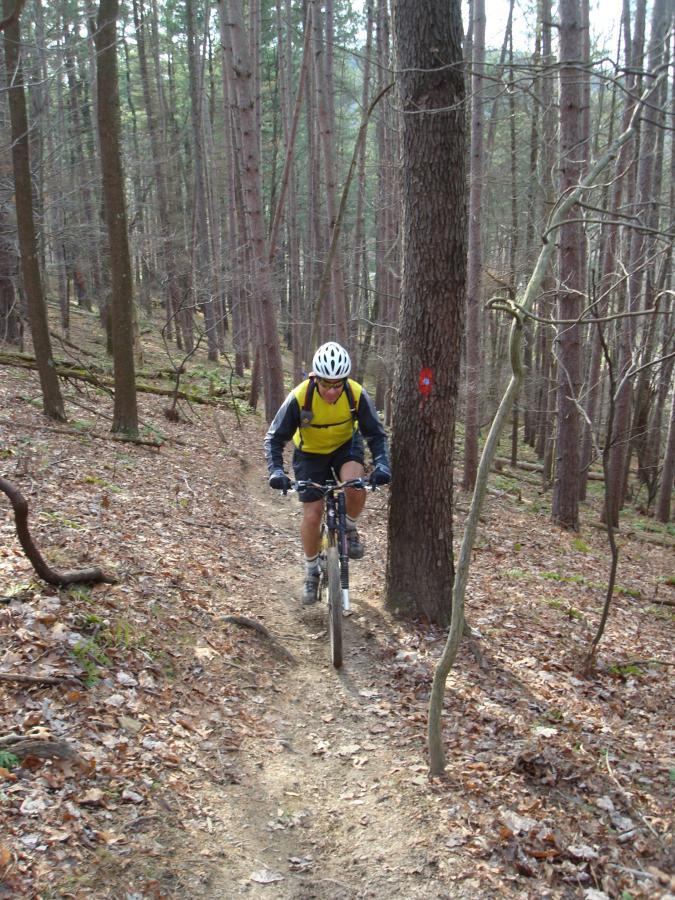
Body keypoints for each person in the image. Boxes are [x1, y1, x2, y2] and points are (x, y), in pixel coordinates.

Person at [264, 342, 391, 605]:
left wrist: (381, 464)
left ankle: (349, 529)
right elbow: (275, 439)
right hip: (309, 453)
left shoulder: (355, 394)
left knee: (355, 485)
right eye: (326, 384)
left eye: (338, 384)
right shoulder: (300, 397)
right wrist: (276, 470)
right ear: (315, 378)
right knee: (312, 514)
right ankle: (311, 570)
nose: (332, 390)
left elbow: (376, 434)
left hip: (346, 446)